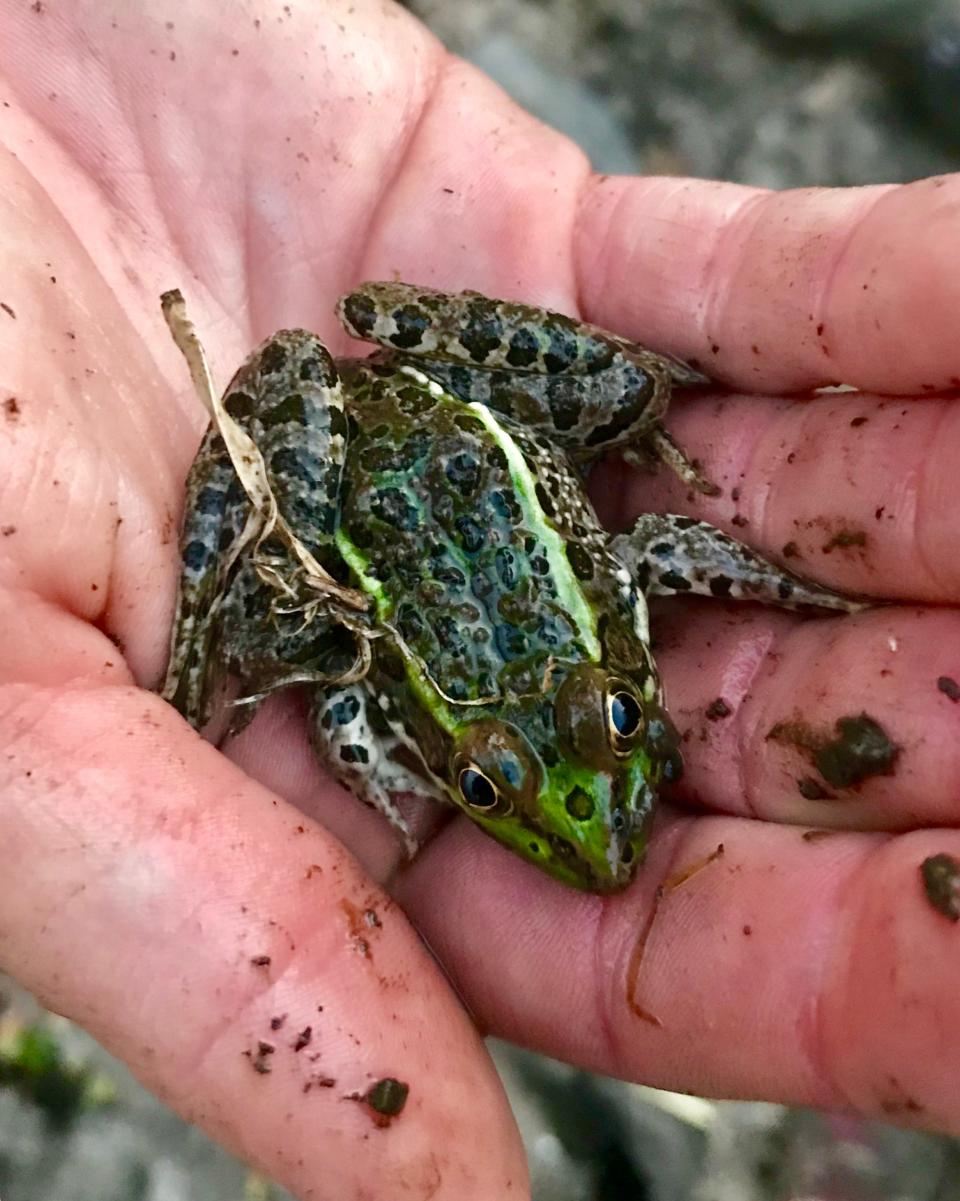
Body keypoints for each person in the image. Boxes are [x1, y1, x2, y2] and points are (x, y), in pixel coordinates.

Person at [1, 1, 958, 1197]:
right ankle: (211, 599)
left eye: (619, 725)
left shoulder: (598, 627)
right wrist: (387, 775)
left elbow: (653, 551)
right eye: (482, 785)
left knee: (613, 394)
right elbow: (373, 707)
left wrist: (788, 582)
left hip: (461, 420)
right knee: (272, 629)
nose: (605, 822)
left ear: (612, 688)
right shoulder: (437, 698)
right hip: (345, 458)